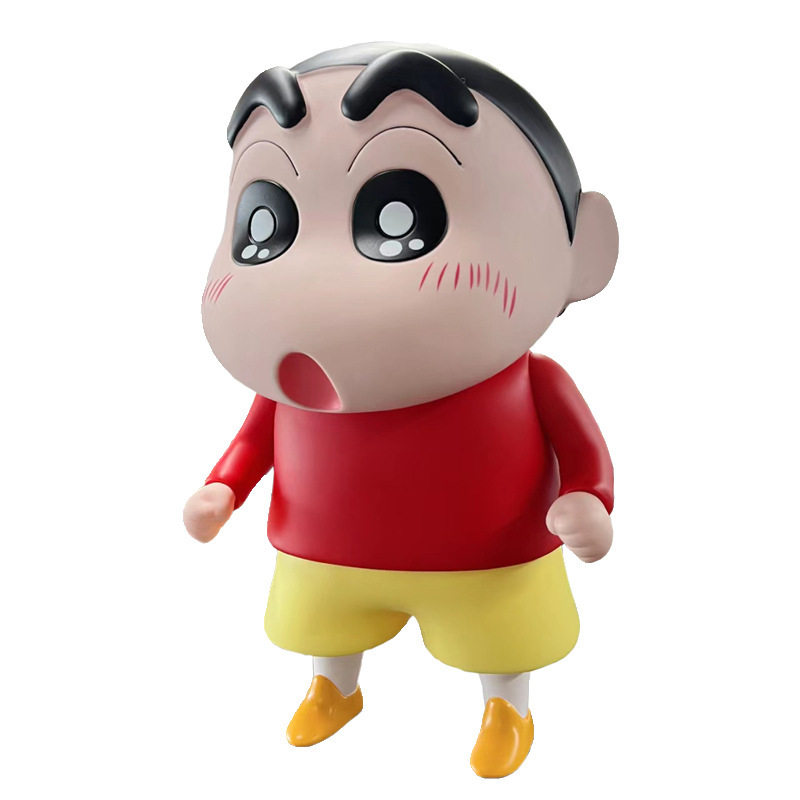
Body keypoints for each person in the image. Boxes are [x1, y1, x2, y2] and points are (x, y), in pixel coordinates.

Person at [184, 42, 619, 779]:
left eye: (399, 218)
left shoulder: (532, 381)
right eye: (265, 225)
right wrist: (222, 488)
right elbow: (255, 439)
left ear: (584, 251)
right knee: (325, 628)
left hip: (483, 554)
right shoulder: (289, 391)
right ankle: (333, 688)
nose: (311, 278)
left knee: (499, 638)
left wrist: (588, 500)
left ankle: (506, 707)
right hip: (327, 552)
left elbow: (584, 454)